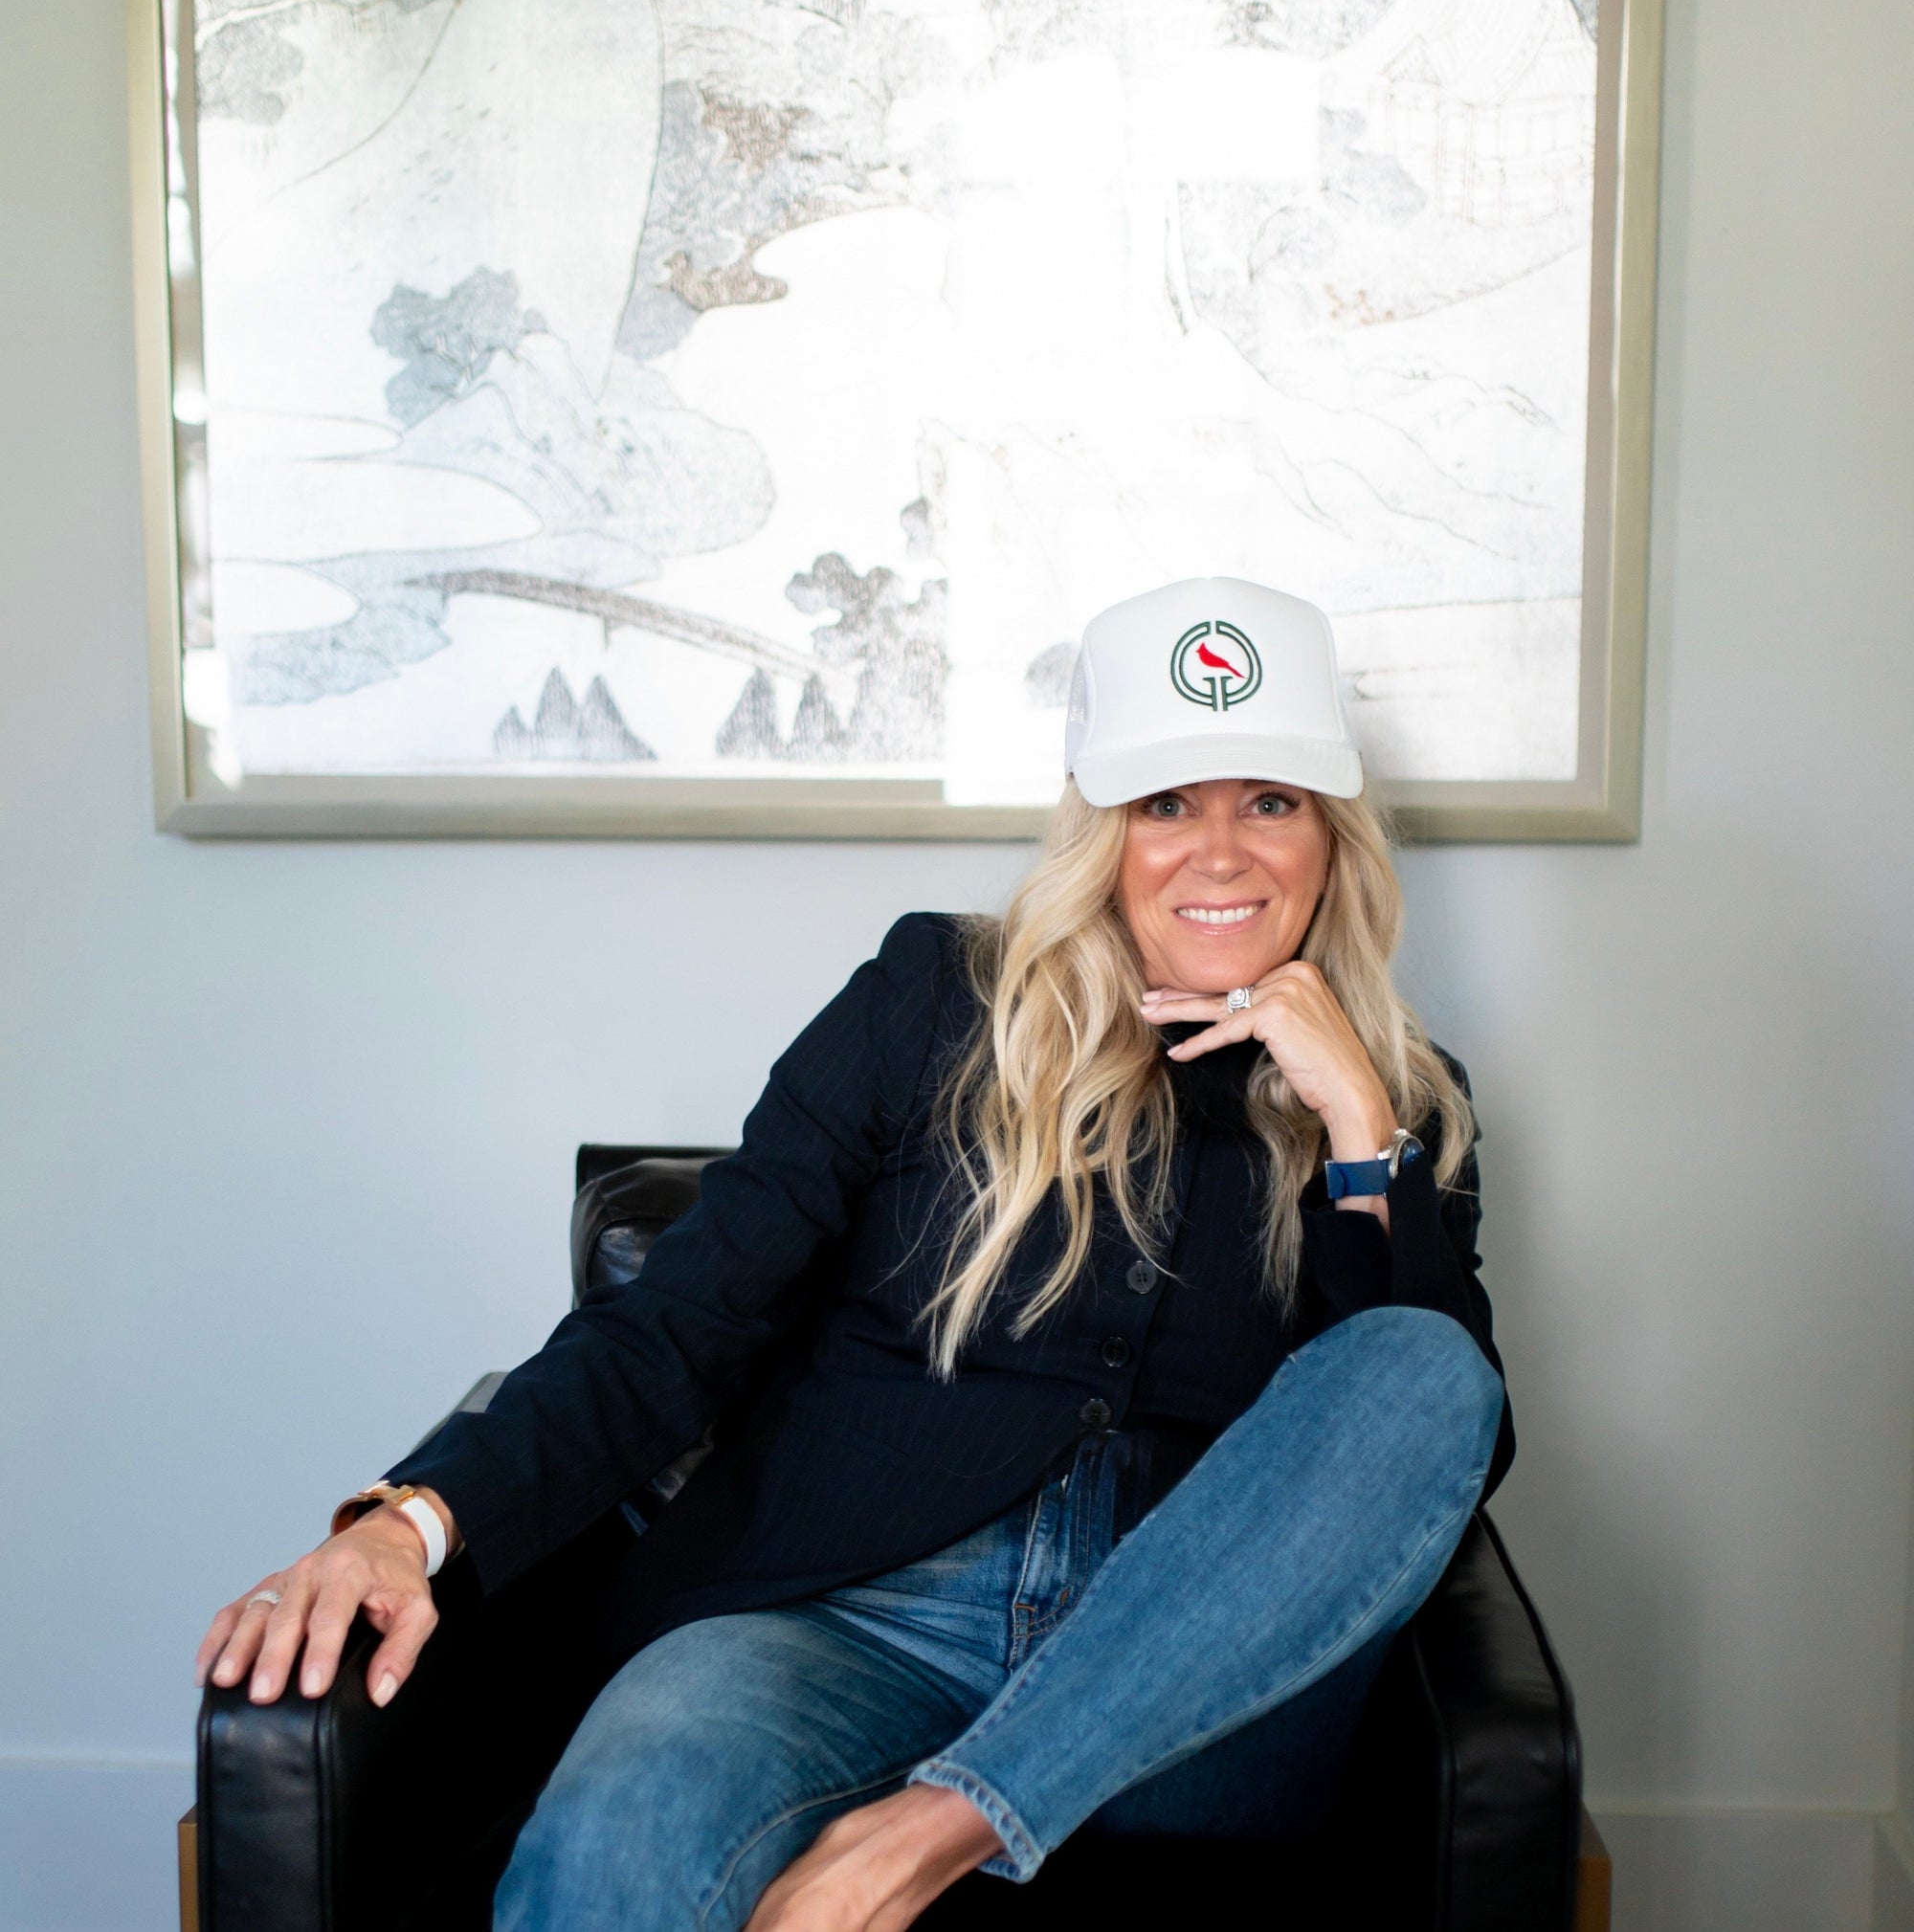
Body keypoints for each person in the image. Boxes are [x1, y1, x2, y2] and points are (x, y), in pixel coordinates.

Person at [197, 578, 1512, 1932]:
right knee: (623, 1827)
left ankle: (932, 1828)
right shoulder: (933, 997)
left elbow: (1431, 1444)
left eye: (1271, 799)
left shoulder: (1404, 1100)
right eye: (1167, 801)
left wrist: (1362, 1126)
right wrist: (412, 1522)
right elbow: (676, 1321)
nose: (1220, 852)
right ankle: (937, 1806)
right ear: (1100, 826)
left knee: (1425, 1364)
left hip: (1180, 1684)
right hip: (848, 1624)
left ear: (1332, 833)